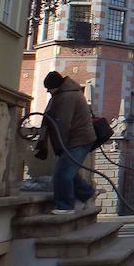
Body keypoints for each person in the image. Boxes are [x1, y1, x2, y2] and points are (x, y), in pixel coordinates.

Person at [36, 71, 96, 214]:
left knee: (62, 173)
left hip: (78, 140)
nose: (48, 91)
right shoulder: (66, 94)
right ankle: (86, 193)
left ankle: (65, 206)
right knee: (70, 170)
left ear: (55, 86)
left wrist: (61, 146)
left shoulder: (67, 97)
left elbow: (62, 123)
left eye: (49, 88)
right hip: (79, 139)